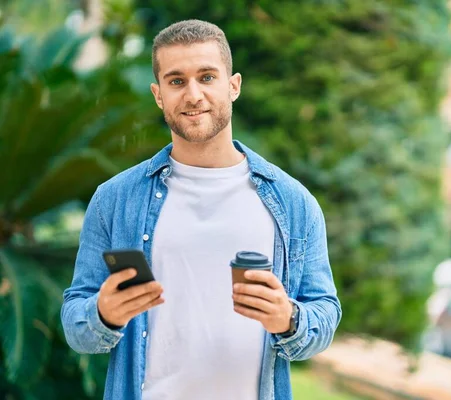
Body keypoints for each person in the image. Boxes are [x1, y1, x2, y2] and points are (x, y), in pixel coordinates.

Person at [61, 19, 341, 400]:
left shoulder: (293, 202)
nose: (193, 94)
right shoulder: (115, 200)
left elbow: (324, 312)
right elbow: (76, 324)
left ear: (233, 85)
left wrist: (289, 319)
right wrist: (104, 313)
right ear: (159, 95)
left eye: (207, 77)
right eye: (177, 81)